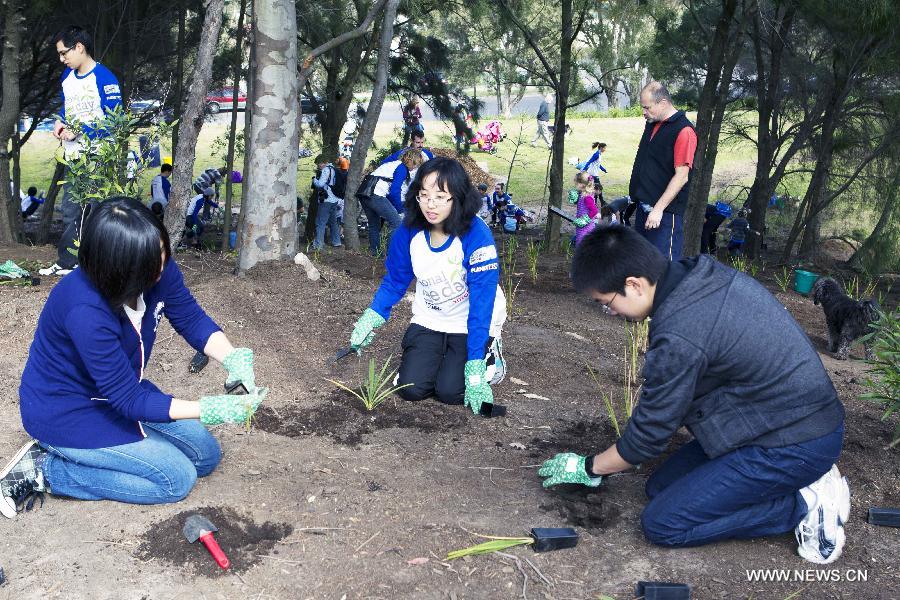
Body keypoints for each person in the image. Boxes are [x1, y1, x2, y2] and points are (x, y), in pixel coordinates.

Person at [539, 224, 848, 565]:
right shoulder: (698, 276)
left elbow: (649, 436)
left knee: (664, 523)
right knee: (659, 488)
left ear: (634, 284)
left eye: (606, 303)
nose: (609, 312)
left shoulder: (680, 334)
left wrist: (590, 468)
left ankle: (804, 502)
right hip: (773, 418)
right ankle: (797, 482)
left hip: (795, 441)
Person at [0, 197, 264, 518]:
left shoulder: (155, 264)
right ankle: (45, 470)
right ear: (120, 269)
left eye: (164, 257)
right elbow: (128, 400)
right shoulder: (84, 309)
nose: (163, 269)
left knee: (205, 457)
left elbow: (191, 318)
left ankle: (126, 448)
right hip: (68, 410)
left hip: (118, 391)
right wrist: (209, 409)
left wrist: (233, 357)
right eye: (154, 265)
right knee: (175, 479)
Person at [347, 157, 506, 412]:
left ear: (459, 198)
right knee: (411, 389)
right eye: (424, 195)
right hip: (430, 317)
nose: (430, 205)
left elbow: (481, 302)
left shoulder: (477, 237)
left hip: (470, 319)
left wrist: (474, 365)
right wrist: (372, 315)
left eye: (441, 197)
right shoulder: (409, 231)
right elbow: (396, 281)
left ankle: (490, 353)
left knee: (451, 392)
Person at [41, 25, 122, 278]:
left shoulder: (105, 78)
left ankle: (96, 265)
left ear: (80, 47)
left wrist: (82, 131)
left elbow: (115, 121)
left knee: (97, 211)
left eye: (65, 53)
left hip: (97, 156)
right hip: (73, 156)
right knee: (70, 210)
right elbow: (68, 110)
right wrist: (60, 123)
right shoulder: (67, 78)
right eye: (60, 54)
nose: (62, 59)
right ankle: (68, 262)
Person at [628, 82, 697, 260]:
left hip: (664, 215)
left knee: (664, 269)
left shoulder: (684, 131)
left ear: (663, 103)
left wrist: (658, 210)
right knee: (643, 267)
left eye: (647, 107)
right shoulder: (652, 123)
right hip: (644, 209)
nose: (643, 112)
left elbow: (681, 176)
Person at [361, 149, 426, 256]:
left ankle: (375, 252)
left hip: (364, 193)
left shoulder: (392, 164)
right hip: (376, 194)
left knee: (374, 224)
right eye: (415, 164)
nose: (415, 167)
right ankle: (392, 254)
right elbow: (394, 191)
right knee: (396, 222)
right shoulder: (402, 168)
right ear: (410, 160)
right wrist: (400, 210)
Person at [310, 155, 343, 250]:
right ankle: (336, 241)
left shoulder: (325, 170)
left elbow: (320, 184)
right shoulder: (334, 168)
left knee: (320, 222)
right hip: (335, 200)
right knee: (333, 222)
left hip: (326, 200)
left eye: (318, 164)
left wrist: (314, 179)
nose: (318, 166)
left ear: (322, 162)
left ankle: (318, 245)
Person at [570, 172, 598, 245]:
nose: (575, 185)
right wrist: (575, 199)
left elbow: (594, 211)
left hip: (586, 227)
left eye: (576, 183)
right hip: (582, 225)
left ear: (582, 184)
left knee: (581, 245)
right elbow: (582, 205)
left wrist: (584, 220)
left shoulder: (587, 197)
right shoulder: (583, 194)